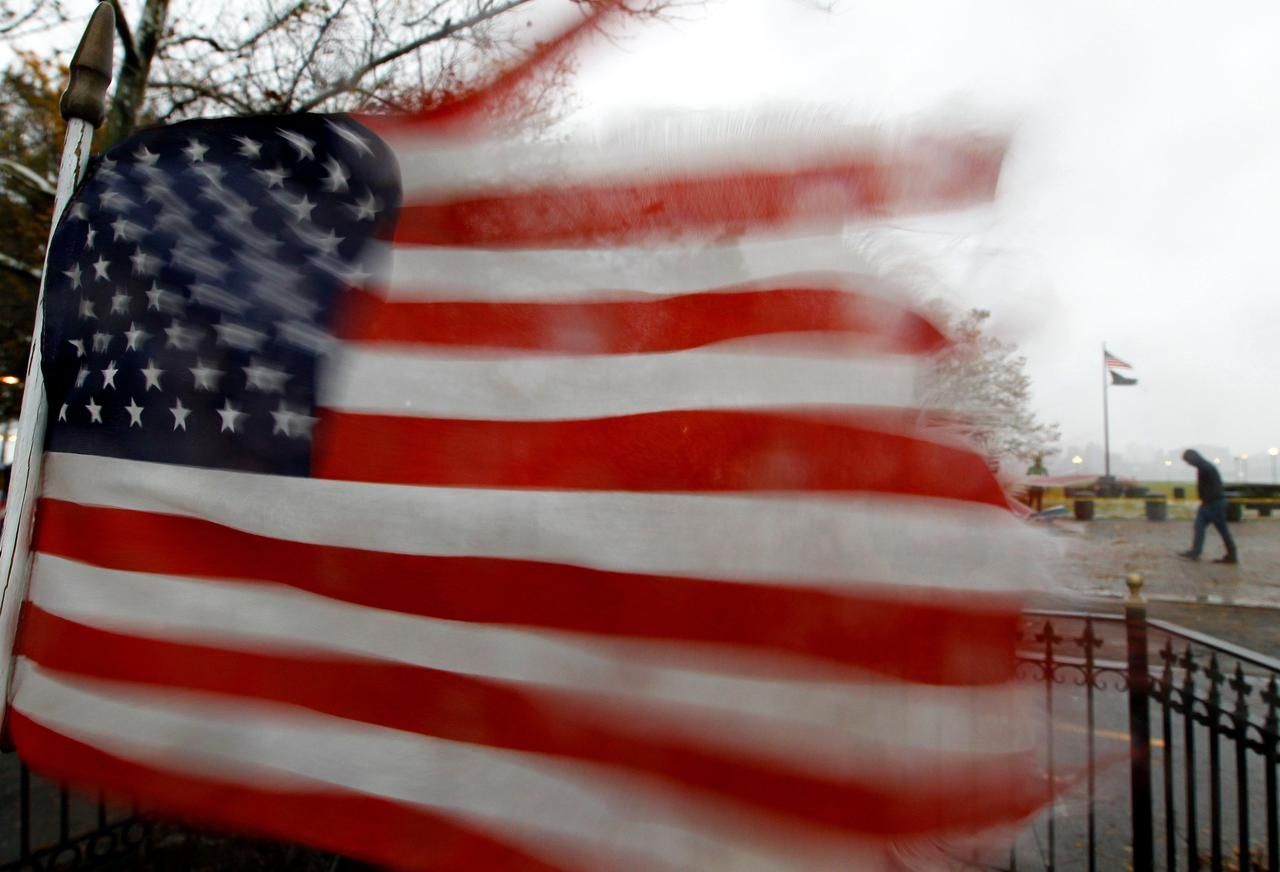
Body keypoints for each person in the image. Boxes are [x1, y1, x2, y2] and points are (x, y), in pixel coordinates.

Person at [1178, 449, 1238, 564]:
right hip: (1212, 503)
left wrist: (1207, 501)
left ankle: (1230, 554)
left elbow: (1213, 488)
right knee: (1202, 527)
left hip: (1213, 504)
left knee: (1216, 529)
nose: (1188, 464)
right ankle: (1197, 551)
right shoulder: (1205, 467)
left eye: (1188, 461)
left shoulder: (1205, 468)